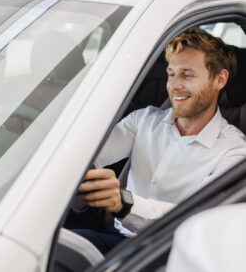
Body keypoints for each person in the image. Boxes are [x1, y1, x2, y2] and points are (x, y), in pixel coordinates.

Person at [72, 27, 246, 254]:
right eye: (171, 74)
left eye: (187, 74)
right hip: (116, 239)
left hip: (168, 254)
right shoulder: (144, 120)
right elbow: (88, 156)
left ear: (220, 79)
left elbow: (189, 219)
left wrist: (122, 202)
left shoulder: (234, 153)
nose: (174, 86)